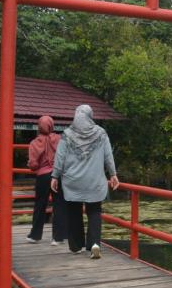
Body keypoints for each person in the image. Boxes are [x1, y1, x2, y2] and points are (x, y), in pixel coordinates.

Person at [51, 105, 119, 259]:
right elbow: (108, 156)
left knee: (74, 212)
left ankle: (76, 246)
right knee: (94, 211)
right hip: (94, 181)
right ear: (90, 116)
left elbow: (60, 158)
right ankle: (94, 245)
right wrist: (113, 174)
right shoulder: (101, 133)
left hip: (72, 181)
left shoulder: (67, 135)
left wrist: (55, 176)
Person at [26, 116, 67, 244]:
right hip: (57, 176)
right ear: (52, 125)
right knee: (59, 205)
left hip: (42, 177)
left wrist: (33, 165)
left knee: (40, 205)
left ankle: (35, 235)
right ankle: (58, 237)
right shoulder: (60, 139)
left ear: (39, 126)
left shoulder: (34, 143)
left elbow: (33, 165)